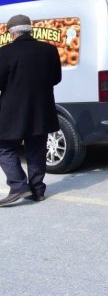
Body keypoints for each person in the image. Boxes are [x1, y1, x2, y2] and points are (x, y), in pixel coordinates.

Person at [0, 14, 62, 206]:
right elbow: (56, 78)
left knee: (4, 148)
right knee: (36, 148)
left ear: (12, 33)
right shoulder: (49, 50)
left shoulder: (4, 53)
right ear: (31, 29)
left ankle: (19, 185)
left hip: (13, 110)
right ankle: (37, 190)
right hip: (42, 108)